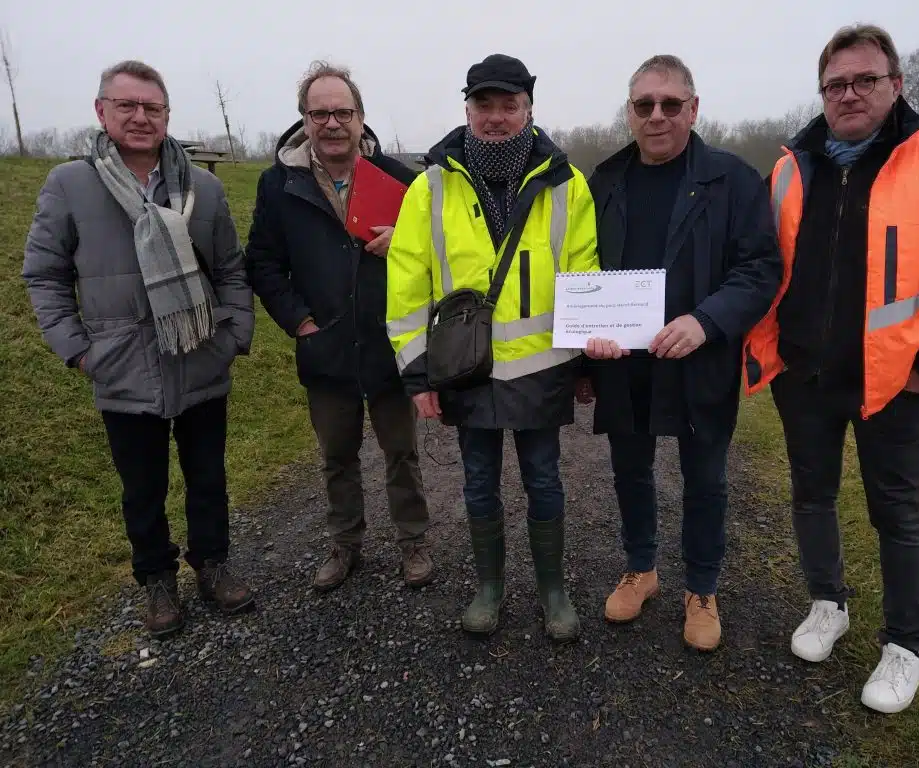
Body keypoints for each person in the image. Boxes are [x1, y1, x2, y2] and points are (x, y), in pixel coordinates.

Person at [744, 24, 919, 713]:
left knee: (897, 511)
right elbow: (766, 264)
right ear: (822, 94)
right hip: (803, 375)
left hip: (893, 378)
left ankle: (904, 645)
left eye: (865, 80)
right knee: (810, 496)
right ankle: (828, 603)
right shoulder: (792, 167)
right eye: (836, 84)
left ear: (896, 85)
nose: (849, 93)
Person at [22, 60, 256, 638]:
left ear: (167, 114)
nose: (140, 117)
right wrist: (78, 349)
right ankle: (156, 580)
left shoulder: (203, 187)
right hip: (122, 365)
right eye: (126, 105)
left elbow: (230, 268)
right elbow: (44, 275)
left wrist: (235, 335)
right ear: (102, 112)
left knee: (208, 476)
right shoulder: (71, 185)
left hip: (201, 354)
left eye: (152, 107)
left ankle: (212, 563)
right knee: (142, 487)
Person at [386, 54, 600, 642]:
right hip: (464, 369)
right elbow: (406, 284)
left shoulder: (567, 183)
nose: (497, 117)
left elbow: (583, 275)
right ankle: (490, 588)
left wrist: (585, 366)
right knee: (478, 482)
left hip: (543, 370)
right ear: (467, 109)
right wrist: (418, 375)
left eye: (510, 105)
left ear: (529, 108)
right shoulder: (429, 186)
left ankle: (553, 591)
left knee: (545, 480)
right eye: (486, 105)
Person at [581, 55, 783, 652]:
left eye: (671, 104)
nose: (657, 115)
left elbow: (760, 268)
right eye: (644, 104)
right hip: (624, 360)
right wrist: (586, 346)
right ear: (630, 112)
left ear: (694, 109)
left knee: (704, 478)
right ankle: (641, 569)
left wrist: (707, 321)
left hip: (700, 357)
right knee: (630, 471)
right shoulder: (603, 181)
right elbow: (580, 271)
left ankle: (702, 587)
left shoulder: (734, 179)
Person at [245, 61, 433, 592]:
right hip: (324, 347)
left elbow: (440, 257)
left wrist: (405, 242)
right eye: (320, 112)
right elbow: (261, 261)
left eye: (342, 112)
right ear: (304, 120)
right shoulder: (280, 185)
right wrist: (298, 320)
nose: (332, 123)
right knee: (336, 458)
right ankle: (345, 544)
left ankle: (414, 540)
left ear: (360, 117)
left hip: (390, 345)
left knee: (402, 453)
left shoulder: (401, 179)